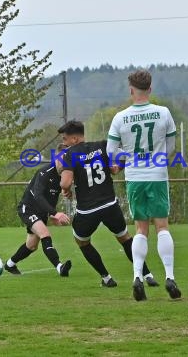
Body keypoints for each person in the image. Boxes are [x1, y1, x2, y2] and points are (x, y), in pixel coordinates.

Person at [107, 69, 181, 301]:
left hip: (135, 177)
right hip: (157, 175)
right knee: (162, 226)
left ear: (131, 90)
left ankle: (138, 277)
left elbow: (111, 152)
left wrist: (128, 157)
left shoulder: (120, 117)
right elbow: (170, 148)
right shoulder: (163, 113)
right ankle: (169, 276)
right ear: (150, 89)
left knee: (140, 229)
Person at [58, 120, 159, 288]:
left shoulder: (70, 154)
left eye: (65, 139)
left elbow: (65, 183)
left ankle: (106, 278)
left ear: (74, 139)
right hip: (110, 205)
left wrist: (65, 188)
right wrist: (117, 168)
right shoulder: (102, 145)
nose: (64, 143)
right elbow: (126, 156)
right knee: (125, 239)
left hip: (87, 210)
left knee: (81, 241)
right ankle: (147, 275)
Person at [3, 143, 72, 277]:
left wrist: (52, 213)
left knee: (31, 246)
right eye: (63, 160)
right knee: (45, 235)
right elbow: (39, 195)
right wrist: (55, 213)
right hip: (28, 208)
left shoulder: (65, 174)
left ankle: (9, 264)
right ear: (56, 158)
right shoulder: (44, 172)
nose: (65, 164)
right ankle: (60, 267)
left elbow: (52, 196)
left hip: (41, 211)